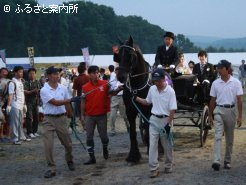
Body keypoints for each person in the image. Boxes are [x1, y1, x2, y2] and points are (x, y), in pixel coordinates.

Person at [134, 68, 177, 178]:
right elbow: (147, 102)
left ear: (164, 79)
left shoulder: (170, 91)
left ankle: (168, 165)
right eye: (155, 81)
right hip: (153, 120)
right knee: (152, 145)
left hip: (165, 120)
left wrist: (168, 124)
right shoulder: (152, 89)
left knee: (167, 146)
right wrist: (136, 98)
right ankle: (153, 168)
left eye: (158, 80)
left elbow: (172, 109)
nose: (156, 83)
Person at [40, 66, 77, 178]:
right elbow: (55, 102)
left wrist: (71, 116)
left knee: (68, 144)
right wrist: (71, 100)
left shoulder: (63, 88)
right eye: (55, 74)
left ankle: (70, 161)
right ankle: (51, 168)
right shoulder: (44, 90)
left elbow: (66, 104)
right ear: (49, 76)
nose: (57, 76)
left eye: (58, 74)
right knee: (48, 145)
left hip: (61, 118)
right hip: (48, 120)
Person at [208, 60, 243, 171]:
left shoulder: (236, 82)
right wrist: (210, 115)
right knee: (218, 135)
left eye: (220, 68)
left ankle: (227, 161)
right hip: (218, 110)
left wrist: (240, 116)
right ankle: (216, 161)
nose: (218, 70)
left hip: (231, 110)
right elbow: (212, 100)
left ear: (227, 69)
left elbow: (239, 100)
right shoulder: (215, 83)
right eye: (218, 68)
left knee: (229, 138)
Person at [81, 65, 110, 165]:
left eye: (97, 72)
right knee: (89, 136)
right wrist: (81, 116)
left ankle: (105, 147)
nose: (96, 74)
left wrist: (118, 89)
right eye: (93, 73)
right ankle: (91, 157)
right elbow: (83, 101)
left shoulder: (105, 83)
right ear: (89, 74)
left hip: (102, 115)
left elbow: (112, 93)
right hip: (89, 115)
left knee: (104, 137)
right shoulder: (85, 87)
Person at [7, 66, 30, 145]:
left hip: (21, 104)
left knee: (20, 122)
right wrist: (9, 105)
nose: (21, 73)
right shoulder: (12, 83)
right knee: (15, 123)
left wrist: (24, 104)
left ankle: (21, 136)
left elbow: (22, 94)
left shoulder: (20, 81)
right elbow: (10, 95)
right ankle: (14, 139)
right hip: (15, 104)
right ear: (15, 72)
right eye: (20, 72)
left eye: (22, 72)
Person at [109, 67, 130, 136]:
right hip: (114, 98)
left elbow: (128, 89)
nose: (117, 73)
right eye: (116, 72)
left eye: (118, 72)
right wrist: (115, 90)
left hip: (122, 98)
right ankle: (112, 130)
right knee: (112, 116)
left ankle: (128, 127)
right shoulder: (112, 80)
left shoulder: (125, 79)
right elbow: (110, 90)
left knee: (125, 115)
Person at [24, 68, 41, 138]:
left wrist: (38, 91)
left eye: (33, 73)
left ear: (35, 74)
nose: (32, 75)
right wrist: (33, 91)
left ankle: (35, 131)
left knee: (36, 117)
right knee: (29, 117)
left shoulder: (38, 82)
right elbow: (25, 92)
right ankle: (29, 132)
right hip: (29, 102)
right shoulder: (26, 82)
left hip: (36, 102)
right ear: (28, 74)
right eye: (30, 73)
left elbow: (40, 91)